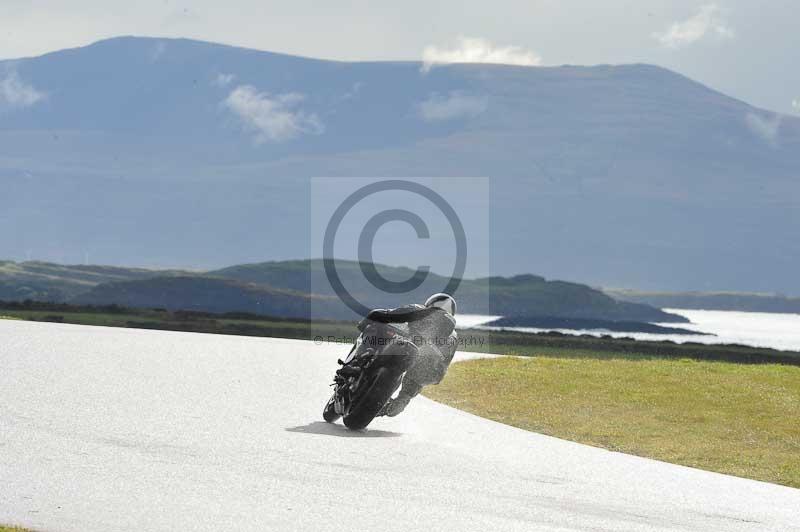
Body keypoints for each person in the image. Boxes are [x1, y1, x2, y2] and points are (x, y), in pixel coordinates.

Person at [355, 293, 458, 417]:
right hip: (428, 366)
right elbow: (442, 366)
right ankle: (402, 400)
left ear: (430, 303)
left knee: (376, 328)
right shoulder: (454, 336)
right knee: (421, 374)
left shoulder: (419, 309)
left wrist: (367, 321)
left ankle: (358, 361)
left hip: (405, 349)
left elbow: (387, 315)